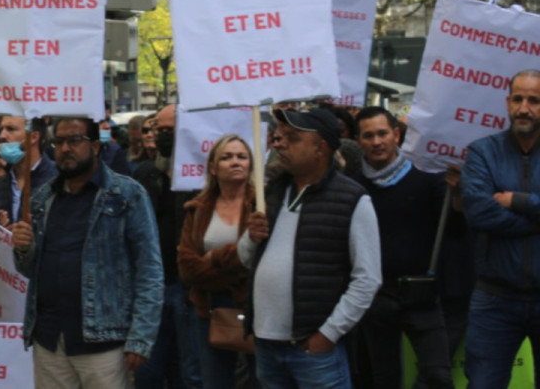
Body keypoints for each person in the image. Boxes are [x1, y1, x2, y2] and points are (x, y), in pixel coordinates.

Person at [13, 117, 164, 388]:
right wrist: (23, 249)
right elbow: (28, 270)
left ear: (95, 146)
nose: (65, 148)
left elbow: (149, 270)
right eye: (59, 142)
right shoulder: (41, 199)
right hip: (49, 338)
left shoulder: (127, 194)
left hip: (103, 342)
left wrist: (141, 337)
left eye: (75, 140)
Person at [238, 108, 381, 389]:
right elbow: (245, 260)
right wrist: (250, 239)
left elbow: (368, 279)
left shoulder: (352, 200)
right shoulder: (272, 193)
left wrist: (327, 334)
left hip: (312, 348)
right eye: (280, 136)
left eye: (292, 137)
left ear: (320, 148)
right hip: (267, 344)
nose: (280, 142)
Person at [352, 106, 454, 388]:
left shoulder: (427, 179)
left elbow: (455, 228)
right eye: (368, 136)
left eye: (383, 133)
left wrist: (456, 193)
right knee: (384, 379)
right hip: (376, 297)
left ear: (396, 135)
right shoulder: (353, 187)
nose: (376, 142)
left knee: (438, 375)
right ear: (359, 141)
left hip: (422, 295)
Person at [461, 69, 540, 388]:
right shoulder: (482, 151)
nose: (524, 108)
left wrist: (519, 201)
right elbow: (479, 212)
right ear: (507, 103)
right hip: (495, 299)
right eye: (518, 99)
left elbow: (497, 211)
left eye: (534, 100)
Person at [132, 104, 202, 389]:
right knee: (148, 370)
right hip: (151, 287)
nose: (161, 136)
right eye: (158, 130)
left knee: (189, 372)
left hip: (189, 290)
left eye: (168, 131)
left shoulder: (202, 177)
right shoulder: (145, 174)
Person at [179, 134, 257, 388]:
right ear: (213, 167)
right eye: (227, 157)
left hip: (254, 307)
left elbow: (259, 261)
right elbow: (187, 268)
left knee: (260, 381)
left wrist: (215, 257)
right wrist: (237, 262)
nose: (235, 162)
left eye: (241, 156)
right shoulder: (198, 208)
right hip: (209, 308)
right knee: (214, 381)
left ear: (250, 165)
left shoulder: (263, 206)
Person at [0, 116, 57, 228]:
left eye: (10, 129)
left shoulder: (57, 179)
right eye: (1, 129)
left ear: (33, 137)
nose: (2, 136)